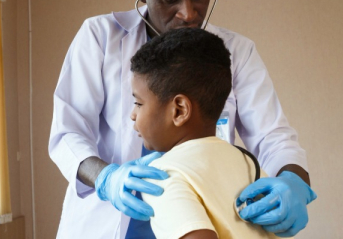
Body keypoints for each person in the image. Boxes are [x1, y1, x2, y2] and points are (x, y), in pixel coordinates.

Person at [48, 0, 317, 239]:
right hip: (108, 222)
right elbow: (68, 133)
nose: (188, 13)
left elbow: (274, 136)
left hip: (198, 213)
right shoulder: (101, 37)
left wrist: (293, 182)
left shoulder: (235, 52)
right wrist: (107, 178)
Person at [131, 28, 313, 239]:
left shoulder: (163, 175)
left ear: (179, 110)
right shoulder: (247, 163)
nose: (132, 115)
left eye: (138, 103)